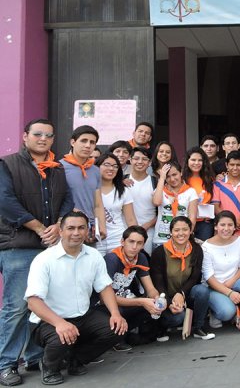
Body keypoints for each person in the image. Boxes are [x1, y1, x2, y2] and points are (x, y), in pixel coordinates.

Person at [0, 119, 73, 386]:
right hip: (18, 246)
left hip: (49, 245)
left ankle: (34, 356)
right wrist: (41, 227)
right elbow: (5, 202)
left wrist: (57, 226)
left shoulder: (57, 168)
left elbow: (67, 199)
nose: (43, 139)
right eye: (37, 134)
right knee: (16, 307)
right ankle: (6, 363)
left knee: (43, 304)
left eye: (48, 135)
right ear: (25, 136)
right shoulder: (7, 164)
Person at [25, 212, 127, 385]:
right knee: (61, 337)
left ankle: (76, 359)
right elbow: (33, 301)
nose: (76, 233)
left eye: (81, 228)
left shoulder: (93, 256)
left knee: (116, 328)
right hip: (48, 321)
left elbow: (104, 287)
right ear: (61, 231)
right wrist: (59, 323)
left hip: (82, 315)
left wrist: (115, 313)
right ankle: (49, 367)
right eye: (70, 228)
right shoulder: (43, 260)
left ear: (87, 231)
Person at [149, 216, 214, 341]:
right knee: (177, 317)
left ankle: (198, 327)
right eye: (177, 230)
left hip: (186, 294)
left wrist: (181, 294)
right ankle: (161, 329)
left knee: (202, 290)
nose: (181, 233)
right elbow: (158, 283)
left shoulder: (196, 249)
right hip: (165, 296)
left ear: (190, 231)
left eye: (185, 229)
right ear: (171, 232)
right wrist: (168, 303)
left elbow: (195, 277)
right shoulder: (160, 252)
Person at [101, 225, 163, 351]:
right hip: (106, 304)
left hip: (126, 298)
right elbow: (106, 298)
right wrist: (141, 301)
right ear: (122, 242)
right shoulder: (112, 259)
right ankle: (116, 339)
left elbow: (150, 288)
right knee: (122, 309)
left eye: (139, 243)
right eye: (131, 242)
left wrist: (157, 299)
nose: (134, 247)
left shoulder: (141, 257)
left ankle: (126, 332)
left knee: (150, 308)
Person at [201, 212, 240, 329]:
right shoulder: (206, 247)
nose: (226, 229)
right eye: (222, 225)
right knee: (227, 312)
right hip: (215, 288)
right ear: (216, 226)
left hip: (234, 282)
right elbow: (208, 276)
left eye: (230, 225)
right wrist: (229, 292)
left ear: (234, 227)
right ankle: (215, 311)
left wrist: (231, 283)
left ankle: (239, 310)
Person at [95, 153, 137, 255]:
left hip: (117, 239)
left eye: (115, 166)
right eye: (107, 164)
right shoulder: (88, 188)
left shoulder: (123, 191)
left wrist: (136, 238)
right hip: (95, 239)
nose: (111, 168)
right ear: (97, 166)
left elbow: (130, 219)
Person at [60, 126, 102, 230]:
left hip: (90, 228)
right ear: (73, 142)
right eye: (84, 141)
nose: (88, 145)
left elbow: (98, 204)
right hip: (67, 227)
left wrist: (100, 226)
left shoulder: (96, 170)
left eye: (92, 142)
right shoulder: (59, 167)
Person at [151, 162, 199, 249]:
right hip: (161, 239)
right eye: (168, 176)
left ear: (181, 173)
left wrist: (185, 237)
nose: (172, 179)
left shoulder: (190, 191)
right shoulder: (160, 189)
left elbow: (192, 218)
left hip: (182, 240)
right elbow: (157, 202)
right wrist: (162, 178)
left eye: (174, 174)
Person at [127, 147, 158, 254]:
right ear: (130, 160)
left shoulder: (156, 182)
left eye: (144, 159)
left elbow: (163, 210)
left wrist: (147, 226)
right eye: (136, 158)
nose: (140, 162)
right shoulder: (122, 181)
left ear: (149, 162)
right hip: (125, 230)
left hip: (149, 232)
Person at [211, 150, 240, 237]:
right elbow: (215, 207)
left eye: (238, 165)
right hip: (223, 231)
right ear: (226, 165)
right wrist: (232, 221)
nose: (235, 168)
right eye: (232, 165)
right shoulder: (218, 184)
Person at [183, 146, 217, 241]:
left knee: (204, 251)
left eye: (200, 160)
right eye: (193, 160)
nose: (196, 163)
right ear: (187, 161)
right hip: (185, 222)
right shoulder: (182, 179)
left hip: (204, 223)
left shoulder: (210, 179)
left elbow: (214, 200)